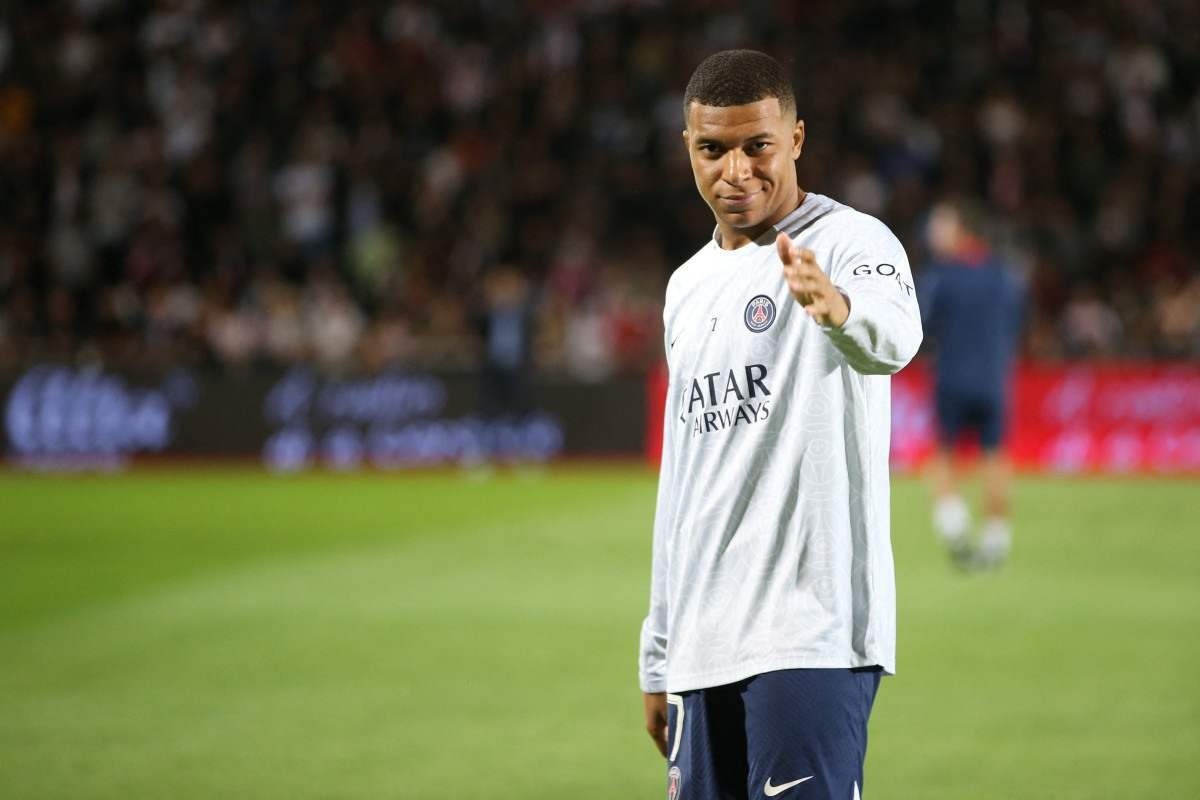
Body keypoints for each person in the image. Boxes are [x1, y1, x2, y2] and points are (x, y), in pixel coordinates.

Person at [638, 50, 922, 800]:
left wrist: (839, 310)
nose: (736, 171)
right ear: (687, 150)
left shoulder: (852, 242)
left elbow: (895, 337)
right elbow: (683, 475)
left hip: (810, 633)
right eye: (713, 149)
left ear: (795, 138)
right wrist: (659, 655)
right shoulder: (687, 287)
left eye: (756, 145)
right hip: (702, 647)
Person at [919, 200, 1024, 569]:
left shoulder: (941, 276)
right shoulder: (1003, 274)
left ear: (960, 229)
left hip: (952, 378)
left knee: (943, 454)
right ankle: (996, 541)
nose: (932, 233)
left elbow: (922, 324)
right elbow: (1015, 320)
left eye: (939, 225)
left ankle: (956, 530)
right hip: (994, 379)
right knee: (994, 455)